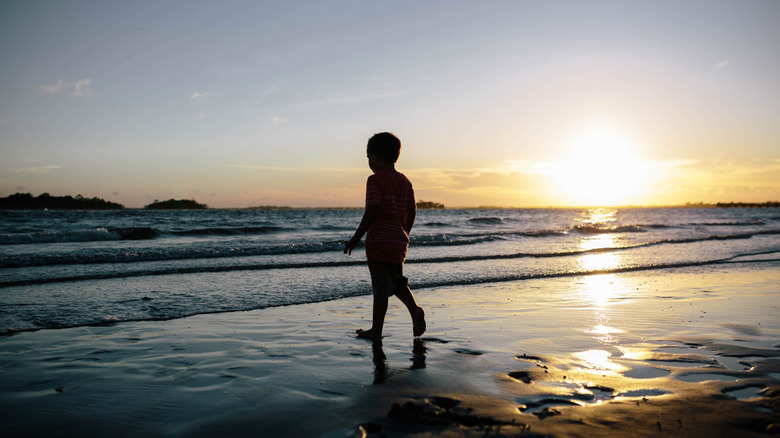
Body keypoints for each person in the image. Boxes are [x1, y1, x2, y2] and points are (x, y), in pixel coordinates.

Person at [344, 132, 425, 343]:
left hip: (379, 241)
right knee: (397, 283)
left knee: (380, 288)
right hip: (398, 241)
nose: (369, 163)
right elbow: (412, 210)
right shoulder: (405, 181)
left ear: (377, 156)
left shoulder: (374, 180)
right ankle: (414, 310)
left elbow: (372, 209)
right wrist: (404, 232)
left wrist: (356, 237)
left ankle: (376, 331)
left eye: (369, 158)